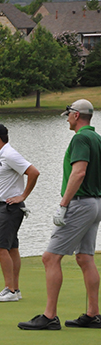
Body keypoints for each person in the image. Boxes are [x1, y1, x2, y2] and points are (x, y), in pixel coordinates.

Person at [19, 99, 101, 330]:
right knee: (85, 257)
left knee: (50, 257)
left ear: (76, 115)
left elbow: (79, 172)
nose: (66, 119)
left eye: (68, 115)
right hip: (95, 203)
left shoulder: (81, 138)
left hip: (80, 203)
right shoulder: (97, 138)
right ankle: (93, 313)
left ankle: (49, 316)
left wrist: (64, 204)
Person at [0, 124, 40, 302]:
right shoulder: (1, 155)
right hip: (4, 207)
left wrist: (22, 196)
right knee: (12, 248)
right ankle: (15, 289)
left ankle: (10, 290)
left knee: (0, 247)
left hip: (9, 208)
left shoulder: (9, 154)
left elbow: (33, 172)